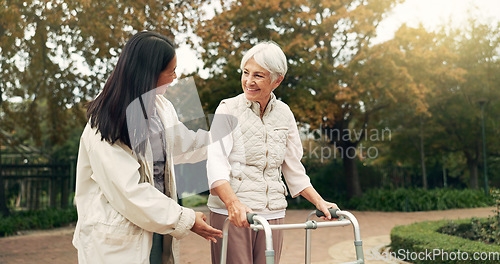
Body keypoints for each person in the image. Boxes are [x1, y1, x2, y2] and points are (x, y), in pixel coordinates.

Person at [72, 31, 222, 264]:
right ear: (149, 73)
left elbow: (184, 144)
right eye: (170, 71)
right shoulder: (106, 119)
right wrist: (186, 219)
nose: (175, 77)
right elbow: (128, 190)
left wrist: (225, 140)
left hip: (159, 227)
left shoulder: (160, 107)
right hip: (121, 238)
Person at [207, 41, 339, 264]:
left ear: (277, 80)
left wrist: (320, 202)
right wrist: (233, 205)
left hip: (273, 213)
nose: (249, 81)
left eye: (258, 75)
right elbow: (216, 163)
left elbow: (293, 168)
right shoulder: (227, 108)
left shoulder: (284, 113)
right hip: (236, 215)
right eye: (246, 72)